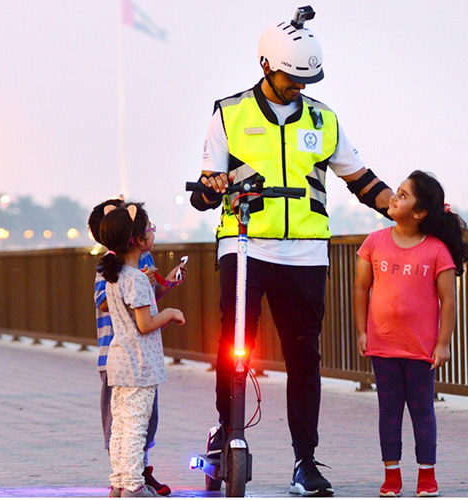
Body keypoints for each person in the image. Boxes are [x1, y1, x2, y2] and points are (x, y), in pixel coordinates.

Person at [189, 5, 393, 497]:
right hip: (244, 248)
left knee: (305, 357)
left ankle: (306, 461)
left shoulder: (325, 120)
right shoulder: (229, 113)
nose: (298, 87)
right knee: (232, 347)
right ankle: (228, 431)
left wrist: (409, 211)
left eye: (306, 80)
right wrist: (212, 188)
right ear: (265, 66)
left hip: (305, 254)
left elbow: (362, 181)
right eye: (289, 79)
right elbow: (202, 192)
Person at [353, 171, 468, 497]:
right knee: (389, 410)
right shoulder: (373, 243)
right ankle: (392, 477)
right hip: (383, 345)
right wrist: (362, 331)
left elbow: (448, 300)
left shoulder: (435, 251)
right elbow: (361, 289)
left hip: (421, 348)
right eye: (398, 191)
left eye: (403, 195)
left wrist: (443, 343)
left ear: (420, 213)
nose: (394, 197)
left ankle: (426, 475)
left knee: (422, 410)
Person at [88, 199, 186, 496]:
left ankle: (119, 483)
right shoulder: (136, 280)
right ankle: (133, 487)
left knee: (120, 427)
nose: (152, 233)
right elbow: (145, 324)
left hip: (119, 361)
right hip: (139, 365)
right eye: (150, 229)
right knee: (135, 429)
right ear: (139, 240)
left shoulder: (114, 277)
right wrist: (170, 314)